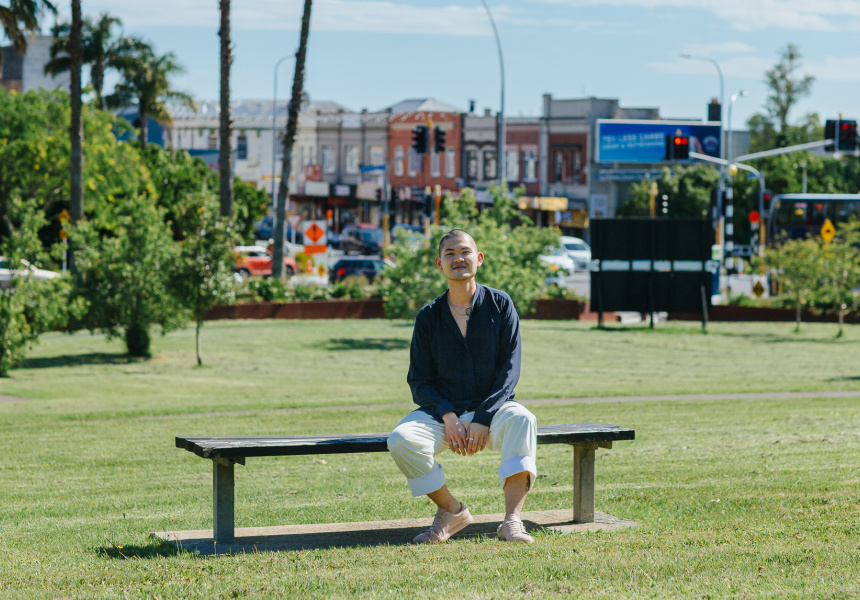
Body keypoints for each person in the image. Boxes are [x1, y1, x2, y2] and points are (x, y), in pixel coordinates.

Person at [387, 229, 537, 544]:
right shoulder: (428, 316)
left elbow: (510, 370)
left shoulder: (500, 304)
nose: (459, 259)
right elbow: (420, 380)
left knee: (523, 419)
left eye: (465, 252)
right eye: (450, 254)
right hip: (443, 416)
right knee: (401, 439)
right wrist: (447, 414)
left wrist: (484, 416)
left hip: (493, 412)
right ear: (439, 264)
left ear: (478, 258)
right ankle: (452, 510)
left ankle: (511, 521)